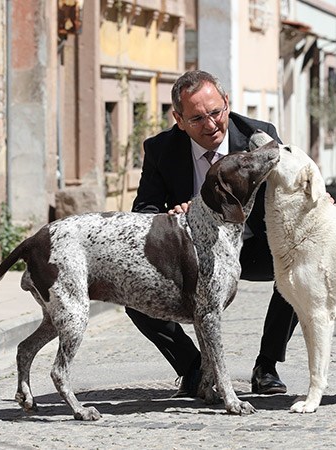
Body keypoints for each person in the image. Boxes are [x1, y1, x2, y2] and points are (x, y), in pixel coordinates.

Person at [126, 70, 299, 398]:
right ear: (179, 119)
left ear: (227, 104)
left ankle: (267, 366)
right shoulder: (160, 149)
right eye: (197, 118)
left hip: (252, 244)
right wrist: (168, 216)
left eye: (216, 112)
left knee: (294, 274)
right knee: (133, 294)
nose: (210, 125)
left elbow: (291, 185)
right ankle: (194, 370)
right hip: (192, 254)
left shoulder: (259, 137)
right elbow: (144, 211)